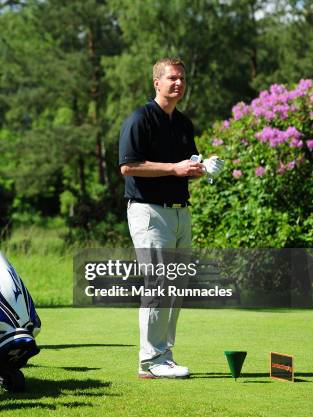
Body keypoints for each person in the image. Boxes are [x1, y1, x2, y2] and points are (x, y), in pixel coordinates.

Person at [119, 57, 204, 379]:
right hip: (149, 212)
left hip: (181, 212)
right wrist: (174, 168)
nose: (178, 83)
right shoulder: (140, 119)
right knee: (158, 283)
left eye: (182, 78)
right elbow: (128, 166)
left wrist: (200, 168)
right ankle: (149, 361)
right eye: (172, 78)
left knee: (177, 285)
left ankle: (164, 356)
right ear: (157, 82)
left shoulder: (183, 123)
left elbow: (186, 166)